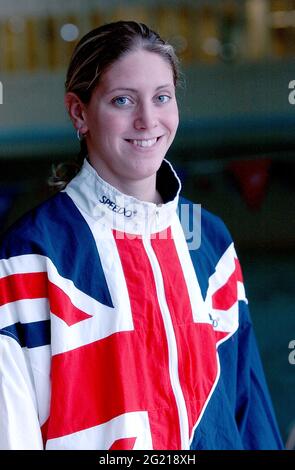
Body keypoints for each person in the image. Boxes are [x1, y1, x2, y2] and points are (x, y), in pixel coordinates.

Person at [0, 21, 283, 450]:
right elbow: (12, 429)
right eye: (122, 100)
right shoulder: (33, 254)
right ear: (79, 112)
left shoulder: (209, 240)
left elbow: (249, 409)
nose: (147, 120)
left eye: (162, 98)